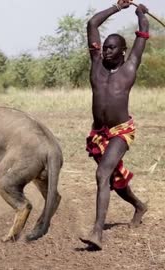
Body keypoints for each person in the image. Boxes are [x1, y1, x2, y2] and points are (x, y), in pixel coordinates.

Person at [79, 0, 149, 251]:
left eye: (111, 48)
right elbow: (92, 24)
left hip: (121, 131)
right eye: (104, 47)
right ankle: (139, 205)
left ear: (122, 51)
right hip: (99, 134)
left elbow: (143, 34)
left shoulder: (130, 67)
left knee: (102, 175)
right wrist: (118, 7)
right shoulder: (96, 65)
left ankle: (97, 232)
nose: (106, 51)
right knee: (114, 179)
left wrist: (141, 13)